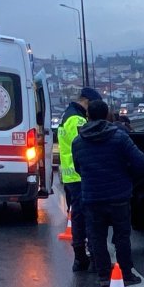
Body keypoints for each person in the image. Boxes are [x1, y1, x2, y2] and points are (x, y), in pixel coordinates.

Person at [71, 99, 144, 286]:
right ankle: (126, 274)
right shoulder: (120, 137)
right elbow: (141, 162)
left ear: (88, 116)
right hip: (119, 195)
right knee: (122, 236)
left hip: (92, 196)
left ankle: (104, 275)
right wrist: (129, 179)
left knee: (97, 237)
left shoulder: (78, 141)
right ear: (107, 115)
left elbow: (78, 168)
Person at [57, 87, 100, 272]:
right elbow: (85, 146)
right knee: (84, 218)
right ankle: (83, 258)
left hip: (71, 176)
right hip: (79, 176)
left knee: (77, 216)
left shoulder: (68, 115)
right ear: (87, 102)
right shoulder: (77, 119)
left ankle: (81, 257)